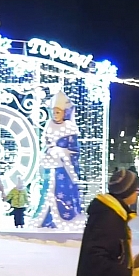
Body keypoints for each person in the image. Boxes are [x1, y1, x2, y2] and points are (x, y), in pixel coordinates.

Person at [35, 90, 83, 228]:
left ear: (64, 112)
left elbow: (75, 150)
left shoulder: (70, 128)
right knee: (47, 192)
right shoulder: (48, 126)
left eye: (58, 112)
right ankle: (47, 219)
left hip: (64, 170)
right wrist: (50, 150)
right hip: (50, 167)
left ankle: (67, 217)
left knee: (62, 193)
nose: (55, 115)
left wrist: (62, 152)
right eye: (53, 112)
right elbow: (45, 145)